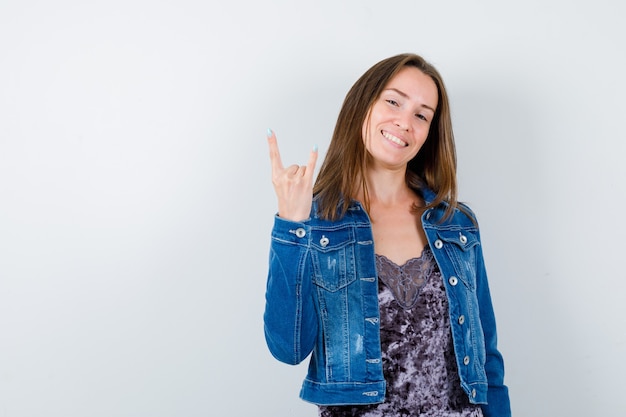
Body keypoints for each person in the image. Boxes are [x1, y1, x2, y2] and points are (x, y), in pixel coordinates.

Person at [263, 53, 511, 417]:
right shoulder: (316, 222)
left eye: (422, 115)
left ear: (429, 132)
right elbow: (288, 348)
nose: (405, 122)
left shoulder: (455, 223)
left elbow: (486, 355)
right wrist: (291, 225)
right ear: (364, 105)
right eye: (394, 101)